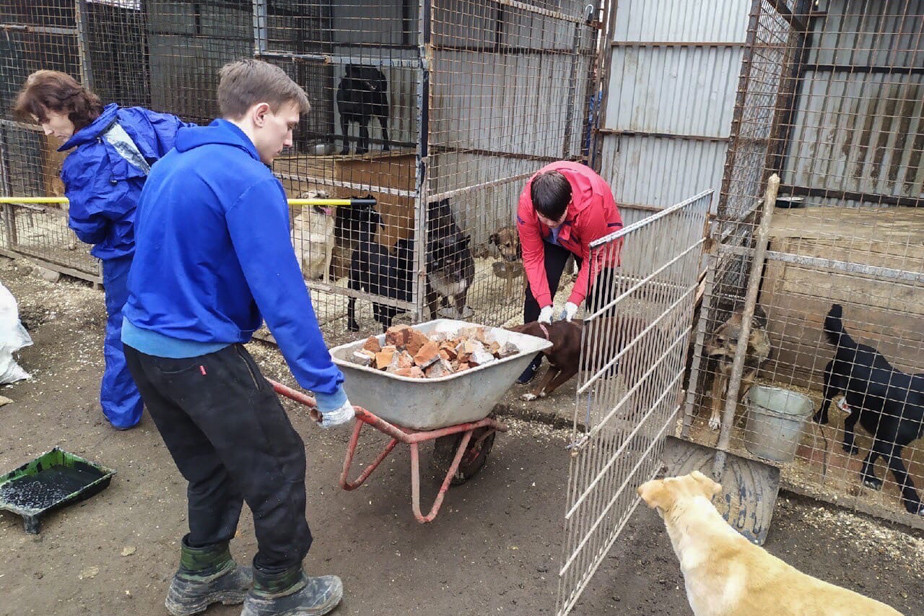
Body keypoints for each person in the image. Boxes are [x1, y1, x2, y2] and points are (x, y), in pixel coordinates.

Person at [121, 59, 351, 616]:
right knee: (277, 464)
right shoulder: (248, 180)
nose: (290, 141)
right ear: (261, 113)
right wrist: (326, 388)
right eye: (289, 127)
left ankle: (202, 575)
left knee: (210, 466)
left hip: (141, 345)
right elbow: (284, 297)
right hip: (198, 352)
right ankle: (280, 588)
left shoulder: (173, 162)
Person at [13, 70, 192, 430]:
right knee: (186, 319)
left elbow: (89, 227)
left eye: (45, 120)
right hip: (179, 244)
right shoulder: (141, 118)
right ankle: (197, 403)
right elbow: (192, 145)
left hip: (128, 258)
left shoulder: (82, 162)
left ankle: (122, 411)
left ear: (61, 107)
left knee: (126, 329)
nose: (47, 131)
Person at [515, 161, 623, 383]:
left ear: (569, 202)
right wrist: (545, 303)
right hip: (553, 241)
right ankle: (531, 355)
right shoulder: (527, 204)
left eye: (557, 219)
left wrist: (574, 301)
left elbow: (594, 259)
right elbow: (532, 257)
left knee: (601, 292)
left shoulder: (590, 206)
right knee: (535, 293)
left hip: (589, 231)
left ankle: (609, 354)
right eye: (545, 218)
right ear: (535, 206)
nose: (552, 224)